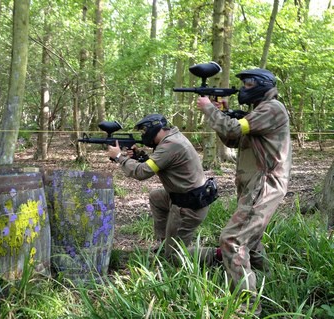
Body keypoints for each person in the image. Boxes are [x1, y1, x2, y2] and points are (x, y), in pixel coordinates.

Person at [196, 68, 292, 316]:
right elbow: (232, 140)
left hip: (265, 183)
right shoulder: (258, 113)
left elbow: (232, 130)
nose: (243, 89)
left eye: (248, 84)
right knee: (251, 241)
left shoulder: (272, 109)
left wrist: (210, 109)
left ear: (261, 84)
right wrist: (224, 114)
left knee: (233, 240)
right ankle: (270, 283)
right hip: (255, 183)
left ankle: (247, 308)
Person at [107, 114, 218, 261]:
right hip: (186, 197)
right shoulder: (173, 138)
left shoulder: (171, 145)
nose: (143, 135)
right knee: (156, 197)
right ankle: (165, 243)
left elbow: (142, 173)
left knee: (174, 257)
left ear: (153, 129)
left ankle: (221, 253)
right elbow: (158, 163)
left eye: (144, 131)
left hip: (189, 206)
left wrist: (119, 156)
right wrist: (139, 155)